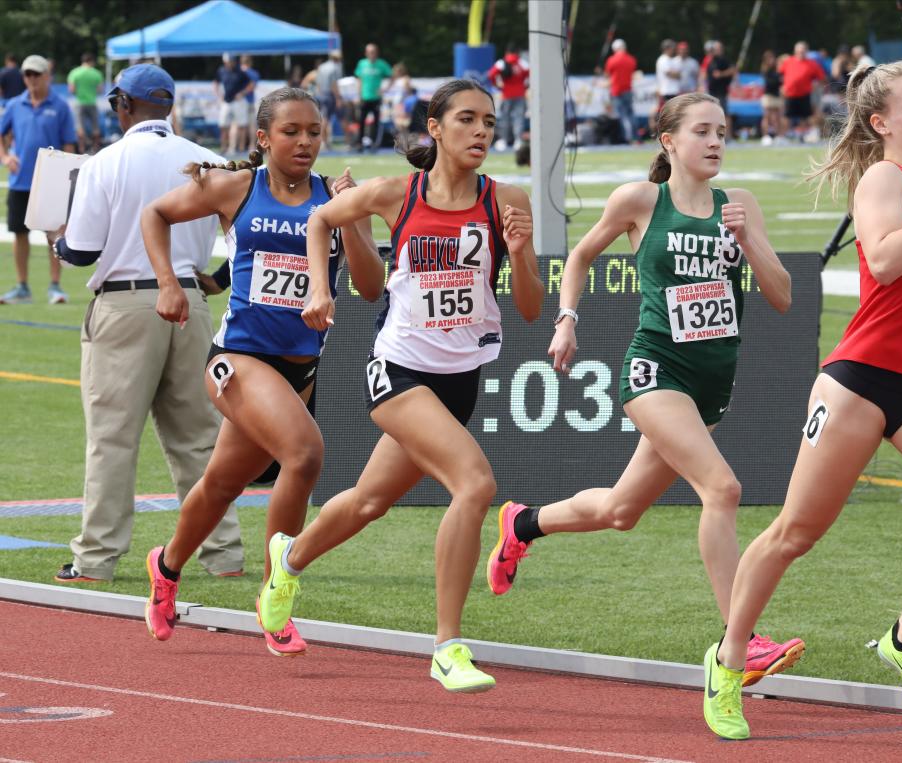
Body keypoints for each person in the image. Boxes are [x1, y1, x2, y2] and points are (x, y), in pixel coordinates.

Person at [486, 91, 802, 694]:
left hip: (712, 382)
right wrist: (568, 319)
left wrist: (748, 239)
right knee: (723, 488)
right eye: (703, 131)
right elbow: (579, 256)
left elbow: (782, 294)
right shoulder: (641, 200)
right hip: (655, 370)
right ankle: (742, 637)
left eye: (722, 132)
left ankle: (522, 524)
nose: (716, 142)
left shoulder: (740, 204)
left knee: (621, 510)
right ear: (669, 141)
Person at [254, 79, 544, 691]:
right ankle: (447, 646)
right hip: (399, 369)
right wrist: (318, 286)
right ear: (434, 128)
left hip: (459, 377)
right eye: (467, 120)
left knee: (368, 500)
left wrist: (519, 253)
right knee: (475, 484)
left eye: (489, 122)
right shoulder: (396, 194)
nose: (482, 132)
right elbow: (320, 219)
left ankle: (289, 559)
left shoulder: (506, 199)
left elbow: (528, 308)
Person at [704, 60, 902, 740]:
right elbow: (882, 260)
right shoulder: (885, 178)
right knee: (797, 531)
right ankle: (728, 660)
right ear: (881, 123)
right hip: (863, 380)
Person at [139, 86, 382, 657]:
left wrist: (352, 220)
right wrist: (169, 284)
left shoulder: (335, 198)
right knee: (304, 454)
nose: (304, 142)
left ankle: (167, 566)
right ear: (264, 138)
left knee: (224, 483)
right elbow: (156, 214)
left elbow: (370, 287)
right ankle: (278, 591)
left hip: (299, 371)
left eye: (314, 132)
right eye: (292, 132)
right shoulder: (236, 188)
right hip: (237, 360)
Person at [49, 64, 245, 583]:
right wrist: (217, 280)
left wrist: (56, 240)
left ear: (123, 106)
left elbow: (82, 250)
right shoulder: (207, 160)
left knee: (113, 439)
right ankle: (224, 554)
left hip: (125, 305)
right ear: (170, 106)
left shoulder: (105, 162)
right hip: (191, 303)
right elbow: (247, 239)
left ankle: (96, 559)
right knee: (201, 440)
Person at [0, 55, 76, 305]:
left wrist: (66, 176)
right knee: (19, 233)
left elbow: (68, 143)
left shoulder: (61, 106)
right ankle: (22, 286)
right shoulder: (14, 104)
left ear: (47, 76)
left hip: (50, 182)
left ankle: (55, 286)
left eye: (36, 74)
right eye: (27, 75)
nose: (31, 79)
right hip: (20, 180)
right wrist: (5, 157)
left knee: (53, 234)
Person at [778, 41, 825, 142]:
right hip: (790, 94)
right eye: (799, 51)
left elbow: (821, 78)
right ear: (795, 51)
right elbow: (779, 75)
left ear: (806, 51)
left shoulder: (812, 64)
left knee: (805, 116)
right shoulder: (788, 61)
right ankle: (782, 137)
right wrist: (781, 86)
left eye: (803, 51)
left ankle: (802, 135)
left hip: (804, 94)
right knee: (786, 116)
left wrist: (815, 85)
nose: (801, 52)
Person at [487, 44, 529, 151]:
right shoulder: (522, 63)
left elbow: (490, 75)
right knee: (518, 118)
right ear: (517, 53)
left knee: (505, 118)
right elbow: (530, 75)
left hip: (506, 94)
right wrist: (524, 86)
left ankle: (504, 141)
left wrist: (497, 85)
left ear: (507, 52)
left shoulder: (501, 63)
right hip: (520, 94)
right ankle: (518, 141)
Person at [354, 42, 393, 152]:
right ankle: (359, 144)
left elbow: (392, 76)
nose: (372, 54)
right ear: (366, 53)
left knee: (376, 123)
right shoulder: (362, 63)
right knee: (361, 122)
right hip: (364, 97)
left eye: (373, 52)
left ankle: (374, 144)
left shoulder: (381, 64)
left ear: (376, 53)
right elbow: (359, 79)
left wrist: (385, 89)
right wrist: (358, 94)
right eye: (370, 52)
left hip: (376, 98)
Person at [301, 50, 343, 150]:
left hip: (320, 94)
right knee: (326, 119)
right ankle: (324, 141)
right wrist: (338, 98)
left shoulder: (322, 67)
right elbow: (334, 84)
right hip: (329, 94)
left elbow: (317, 82)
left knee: (323, 118)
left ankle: (324, 141)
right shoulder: (335, 68)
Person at [213, 54, 252, 156]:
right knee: (223, 125)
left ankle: (241, 148)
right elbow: (216, 83)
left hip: (238, 101)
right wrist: (219, 95)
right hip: (227, 101)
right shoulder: (221, 71)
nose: (231, 63)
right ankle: (224, 147)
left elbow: (251, 84)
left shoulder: (240, 71)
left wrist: (242, 93)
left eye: (232, 61)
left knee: (241, 125)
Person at [67, 52, 104, 153]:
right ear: (91, 61)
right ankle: (96, 149)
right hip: (92, 102)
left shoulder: (75, 72)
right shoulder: (96, 73)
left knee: (79, 127)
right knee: (95, 127)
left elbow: (71, 89)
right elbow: (100, 90)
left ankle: (81, 149)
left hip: (79, 102)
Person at [604, 39, 638, 144]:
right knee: (630, 114)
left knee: (622, 115)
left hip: (617, 91)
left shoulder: (611, 60)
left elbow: (608, 76)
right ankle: (635, 136)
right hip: (628, 89)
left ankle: (628, 138)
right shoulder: (631, 59)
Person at [706, 41, 737, 134]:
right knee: (711, 115)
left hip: (721, 92)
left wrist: (722, 74)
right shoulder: (711, 60)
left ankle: (728, 136)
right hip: (712, 91)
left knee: (724, 114)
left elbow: (733, 70)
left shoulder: (724, 60)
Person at [759, 50, 783, 145]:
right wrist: (779, 80)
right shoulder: (765, 70)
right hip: (768, 95)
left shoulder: (777, 69)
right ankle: (765, 136)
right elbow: (770, 83)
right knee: (767, 116)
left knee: (777, 117)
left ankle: (778, 136)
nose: (772, 60)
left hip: (776, 95)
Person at [240, 55, 260, 154]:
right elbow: (253, 86)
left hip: (239, 102)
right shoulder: (254, 73)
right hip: (249, 101)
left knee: (239, 125)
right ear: (250, 62)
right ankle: (251, 145)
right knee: (252, 124)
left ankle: (240, 146)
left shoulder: (238, 72)